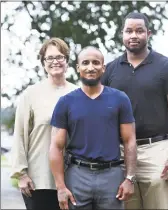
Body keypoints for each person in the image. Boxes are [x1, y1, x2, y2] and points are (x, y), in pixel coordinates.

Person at [101, 12, 168, 209]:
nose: (134, 35)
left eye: (139, 31)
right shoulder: (111, 70)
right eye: (129, 31)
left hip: (156, 149)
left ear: (148, 33)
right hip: (120, 152)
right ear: (122, 34)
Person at [49, 46, 137, 210]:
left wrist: (129, 178)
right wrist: (60, 186)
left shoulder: (120, 99)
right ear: (78, 68)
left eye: (96, 63)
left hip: (112, 176)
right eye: (85, 63)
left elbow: (129, 140)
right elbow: (56, 146)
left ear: (103, 68)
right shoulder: (65, 102)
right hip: (77, 175)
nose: (91, 67)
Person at [10, 37, 78, 210]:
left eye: (60, 57)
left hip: (73, 178)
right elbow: (19, 134)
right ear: (43, 63)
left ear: (67, 61)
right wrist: (21, 174)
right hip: (38, 180)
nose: (55, 61)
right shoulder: (31, 94)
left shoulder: (78, 93)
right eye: (50, 58)